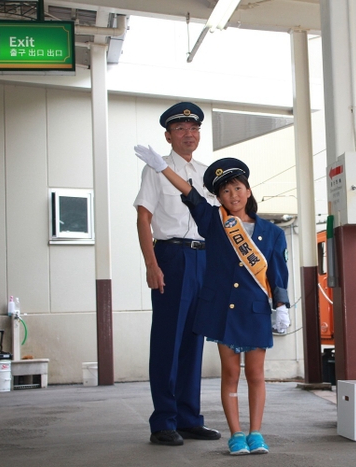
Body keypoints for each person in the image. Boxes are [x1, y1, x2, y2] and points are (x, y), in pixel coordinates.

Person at [134, 145, 291, 455]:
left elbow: (278, 271)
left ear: (248, 189)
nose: (233, 194)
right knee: (227, 373)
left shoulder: (272, 232)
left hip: (254, 310)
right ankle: (223, 432)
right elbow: (190, 193)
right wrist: (162, 168)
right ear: (217, 198)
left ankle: (251, 432)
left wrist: (282, 306)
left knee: (255, 374)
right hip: (219, 305)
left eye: (238, 187)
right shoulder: (215, 224)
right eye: (225, 191)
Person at [133, 102, 221, 446]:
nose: (189, 134)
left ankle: (188, 418)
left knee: (193, 342)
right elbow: (143, 218)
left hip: (203, 259)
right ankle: (163, 421)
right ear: (168, 136)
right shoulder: (156, 169)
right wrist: (151, 264)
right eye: (181, 129)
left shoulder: (207, 174)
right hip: (170, 256)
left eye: (194, 128)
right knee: (168, 341)